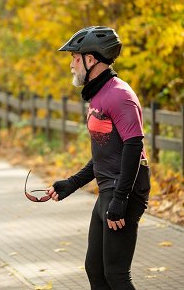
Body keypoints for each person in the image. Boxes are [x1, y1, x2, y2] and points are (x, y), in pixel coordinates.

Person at [47, 26, 151, 290]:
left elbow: (133, 147)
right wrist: (72, 183)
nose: (71, 64)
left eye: (74, 57)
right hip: (109, 188)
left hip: (124, 190)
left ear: (90, 59)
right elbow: (106, 153)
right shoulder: (98, 95)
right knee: (95, 270)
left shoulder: (119, 95)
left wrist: (120, 199)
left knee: (115, 273)